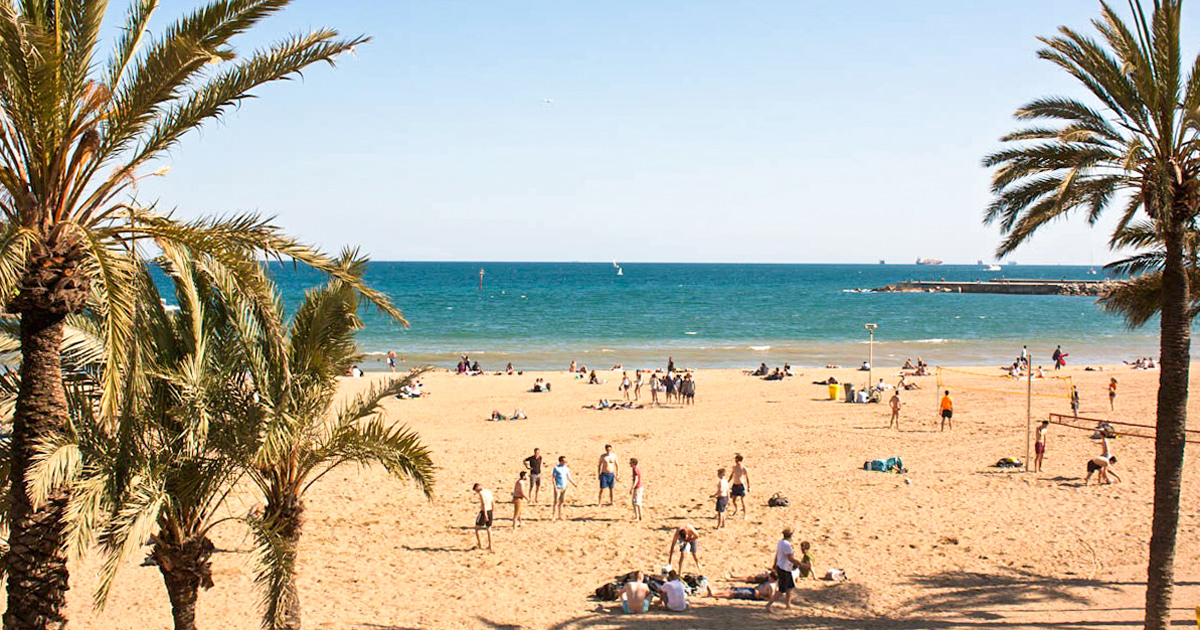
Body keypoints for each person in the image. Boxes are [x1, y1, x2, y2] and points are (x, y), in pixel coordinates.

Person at [766, 528, 799, 611]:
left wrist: (774, 564)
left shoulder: (781, 542)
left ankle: (788, 604)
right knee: (782, 589)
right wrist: (800, 564)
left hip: (782, 567)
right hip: (784, 568)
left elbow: (777, 554)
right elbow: (790, 558)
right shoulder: (787, 545)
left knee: (790, 587)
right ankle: (769, 604)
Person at [552, 456, 577, 520]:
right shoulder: (556, 468)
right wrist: (555, 487)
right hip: (558, 487)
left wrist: (573, 484)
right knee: (556, 502)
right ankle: (553, 516)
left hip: (564, 487)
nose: (565, 462)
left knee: (561, 502)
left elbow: (568, 477)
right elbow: (553, 478)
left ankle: (560, 515)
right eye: (564, 461)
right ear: (560, 461)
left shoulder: (566, 468)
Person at [472, 483, 494, 550]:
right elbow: (492, 502)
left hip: (484, 511)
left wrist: (485, 514)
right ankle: (490, 545)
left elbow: (483, 503)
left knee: (477, 528)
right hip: (490, 510)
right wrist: (492, 510)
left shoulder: (481, 493)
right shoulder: (488, 491)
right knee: (489, 528)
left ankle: (480, 545)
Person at [729, 454, 750, 519]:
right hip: (735, 485)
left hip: (741, 485)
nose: (736, 462)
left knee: (743, 500)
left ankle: (745, 514)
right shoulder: (734, 467)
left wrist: (749, 486)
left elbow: (747, 478)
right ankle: (736, 509)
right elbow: (731, 475)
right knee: (733, 500)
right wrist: (727, 482)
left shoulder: (744, 468)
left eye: (737, 461)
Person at [630, 457, 644, 521]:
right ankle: (640, 516)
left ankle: (637, 517)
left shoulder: (635, 469)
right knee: (638, 502)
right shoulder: (637, 469)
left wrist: (632, 488)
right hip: (640, 486)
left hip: (637, 487)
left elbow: (636, 479)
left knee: (635, 502)